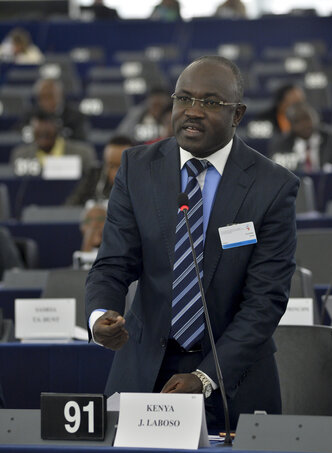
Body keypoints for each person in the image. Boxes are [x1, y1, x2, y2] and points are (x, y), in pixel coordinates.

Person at [85, 56, 299, 432]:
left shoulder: (273, 186)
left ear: (237, 114)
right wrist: (99, 315)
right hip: (144, 372)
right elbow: (113, 264)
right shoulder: (137, 167)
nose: (193, 112)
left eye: (211, 103)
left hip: (234, 380)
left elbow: (265, 303)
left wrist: (205, 378)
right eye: (183, 99)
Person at [10, 111, 97, 181]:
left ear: (57, 129)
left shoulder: (83, 154)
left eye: (47, 131)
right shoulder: (20, 155)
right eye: (39, 131)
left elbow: (93, 184)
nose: (43, 134)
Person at [269, 101, 332, 173]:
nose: (304, 125)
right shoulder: (280, 146)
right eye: (297, 121)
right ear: (291, 125)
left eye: (307, 118)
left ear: (316, 117)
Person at [66, 135, 134, 206]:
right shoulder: (94, 175)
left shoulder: (142, 182)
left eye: (122, 166)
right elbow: (71, 207)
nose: (116, 173)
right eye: (111, 166)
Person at [19, 78, 89, 141]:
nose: (46, 101)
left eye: (50, 96)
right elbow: (20, 132)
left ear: (60, 96)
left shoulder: (75, 115)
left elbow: (81, 140)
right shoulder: (31, 114)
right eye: (42, 97)